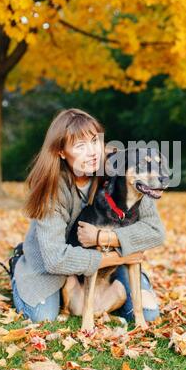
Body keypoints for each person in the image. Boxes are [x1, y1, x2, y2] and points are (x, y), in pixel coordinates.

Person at [11, 108, 166, 323]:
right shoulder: (51, 189)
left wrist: (106, 238)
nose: (92, 151)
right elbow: (55, 259)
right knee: (42, 316)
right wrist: (119, 256)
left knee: (148, 314)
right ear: (61, 152)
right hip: (56, 261)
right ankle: (18, 267)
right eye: (80, 146)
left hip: (104, 264)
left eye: (95, 141)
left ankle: (106, 297)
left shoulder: (121, 167)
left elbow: (155, 231)